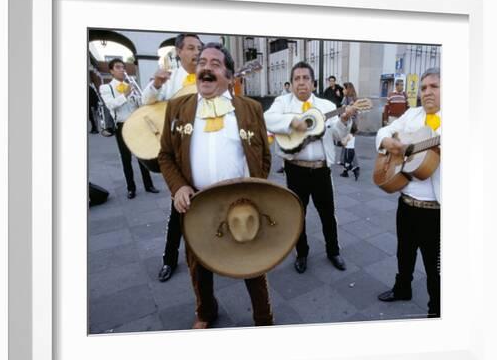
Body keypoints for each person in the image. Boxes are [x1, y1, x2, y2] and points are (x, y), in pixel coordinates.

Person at [158, 42, 273, 329]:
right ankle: (206, 312)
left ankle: (263, 318)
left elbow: (264, 155)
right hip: (196, 202)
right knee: (198, 265)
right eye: (201, 62)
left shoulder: (251, 109)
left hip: (242, 202)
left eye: (215, 64)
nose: (206, 68)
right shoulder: (177, 107)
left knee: (253, 264)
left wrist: (256, 189)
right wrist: (179, 187)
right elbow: (166, 155)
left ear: (230, 77)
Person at [264, 61, 356, 274]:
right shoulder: (282, 102)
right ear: (292, 83)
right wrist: (292, 122)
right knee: (298, 213)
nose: (301, 83)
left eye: (306, 78)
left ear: (313, 84)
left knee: (328, 213)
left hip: (321, 168)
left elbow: (339, 136)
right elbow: (266, 118)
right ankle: (302, 253)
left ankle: (333, 251)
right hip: (295, 168)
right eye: (297, 79)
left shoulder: (327, 107)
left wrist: (344, 120)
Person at [376, 68, 441, 318]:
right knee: (404, 251)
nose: (427, 92)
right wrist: (388, 143)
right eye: (423, 87)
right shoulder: (412, 115)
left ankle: (436, 313)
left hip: (437, 211)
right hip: (406, 202)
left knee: (436, 269)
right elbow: (384, 131)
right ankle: (402, 288)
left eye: (434, 86)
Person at [141, 34, 203, 283]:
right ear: (179, 52)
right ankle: (169, 259)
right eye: (190, 48)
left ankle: (212, 256)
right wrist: (156, 83)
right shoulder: (172, 79)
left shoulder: (208, 76)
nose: (196, 52)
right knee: (178, 209)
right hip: (178, 154)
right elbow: (147, 101)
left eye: (199, 48)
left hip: (202, 149)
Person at [99, 59, 159, 199]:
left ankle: (148, 185)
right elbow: (111, 105)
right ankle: (131, 188)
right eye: (118, 67)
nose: (122, 70)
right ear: (112, 71)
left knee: (142, 155)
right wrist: (125, 95)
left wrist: (141, 95)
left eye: (123, 67)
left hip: (136, 124)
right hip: (121, 125)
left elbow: (140, 104)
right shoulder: (106, 88)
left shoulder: (130, 85)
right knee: (126, 158)